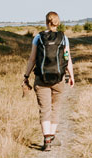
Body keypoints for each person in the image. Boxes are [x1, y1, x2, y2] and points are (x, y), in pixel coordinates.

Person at [23, 11, 74, 150]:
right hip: (59, 78)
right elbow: (67, 58)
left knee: (44, 109)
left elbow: (32, 59)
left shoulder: (38, 37)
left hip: (41, 78)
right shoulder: (63, 38)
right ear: (58, 22)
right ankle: (52, 136)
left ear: (46, 22)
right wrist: (71, 76)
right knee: (55, 108)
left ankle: (47, 141)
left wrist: (26, 76)